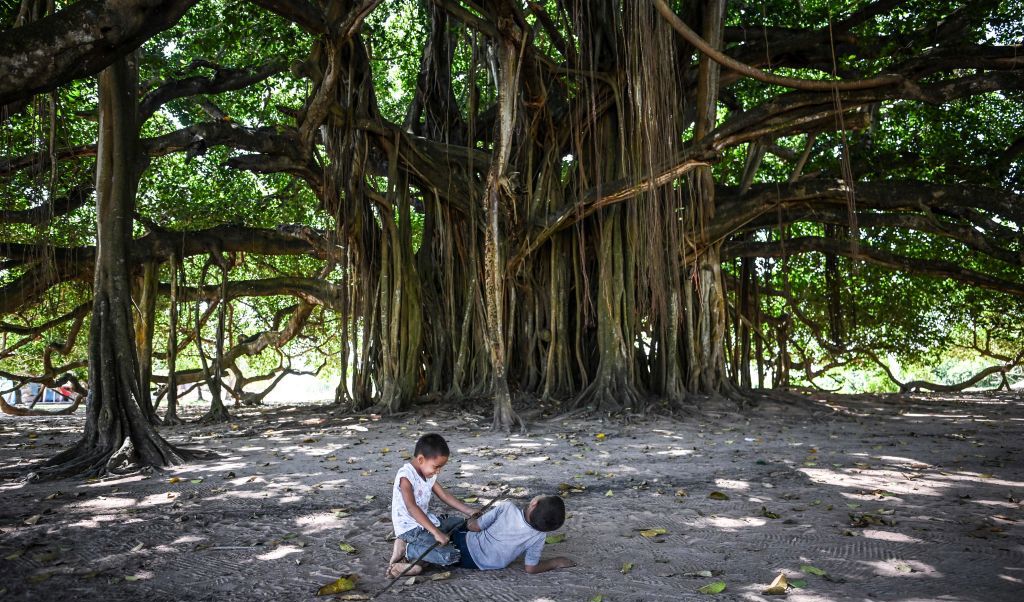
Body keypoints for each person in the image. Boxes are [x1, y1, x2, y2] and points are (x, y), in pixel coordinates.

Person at [387, 433, 477, 578]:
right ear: (421, 459)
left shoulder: (428, 474)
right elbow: (412, 507)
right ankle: (407, 548)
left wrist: (469, 511)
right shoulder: (406, 476)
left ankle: (417, 563)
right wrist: (436, 532)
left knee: (461, 523)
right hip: (410, 529)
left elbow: (444, 496)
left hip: (426, 522)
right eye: (436, 467)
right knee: (450, 555)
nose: (438, 471)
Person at [452, 495, 576, 574]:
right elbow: (531, 568)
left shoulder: (507, 508)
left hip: (465, 547)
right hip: (481, 565)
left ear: (534, 503)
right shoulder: (539, 535)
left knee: (450, 523)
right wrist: (555, 563)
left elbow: (474, 528)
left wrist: (471, 519)